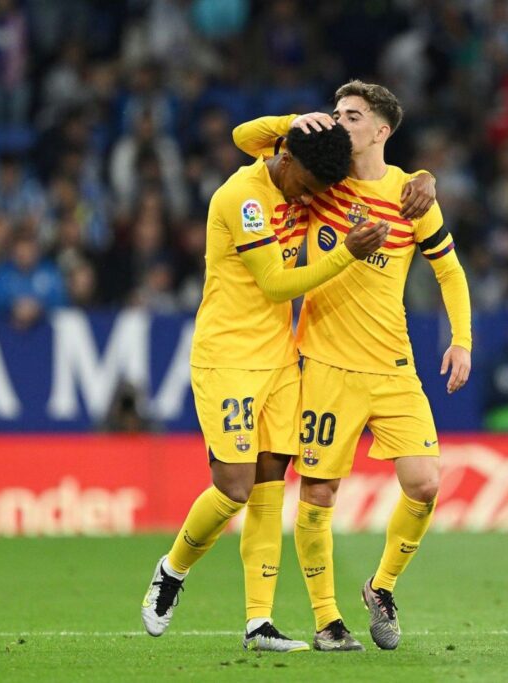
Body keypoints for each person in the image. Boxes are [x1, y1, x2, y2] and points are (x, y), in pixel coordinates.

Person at [232, 80, 472, 651]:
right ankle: (327, 621)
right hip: (326, 363)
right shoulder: (321, 183)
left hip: (393, 366)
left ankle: (381, 586)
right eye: (337, 112)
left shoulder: (413, 195)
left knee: (425, 482)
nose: (341, 122)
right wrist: (300, 118)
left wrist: (461, 339)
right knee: (318, 496)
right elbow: (246, 140)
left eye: (353, 115)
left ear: (382, 131)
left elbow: (450, 271)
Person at [139, 123, 389, 653]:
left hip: (280, 359)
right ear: (287, 158)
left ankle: (259, 623)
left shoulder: (295, 173)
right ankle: (173, 568)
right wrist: (346, 252)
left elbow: (256, 137)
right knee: (234, 487)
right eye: (308, 184)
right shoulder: (240, 197)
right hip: (229, 358)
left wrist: (309, 124)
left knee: (271, 486)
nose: (309, 197)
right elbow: (275, 283)